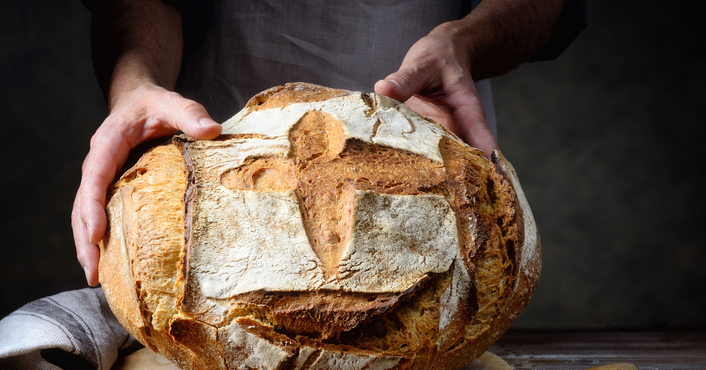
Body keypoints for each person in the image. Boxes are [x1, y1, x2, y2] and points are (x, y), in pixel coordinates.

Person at [73, 0, 586, 286]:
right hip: (209, 159)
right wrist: (136, 84)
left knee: (451, 294)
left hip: (428, 133)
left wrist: (466, 41)